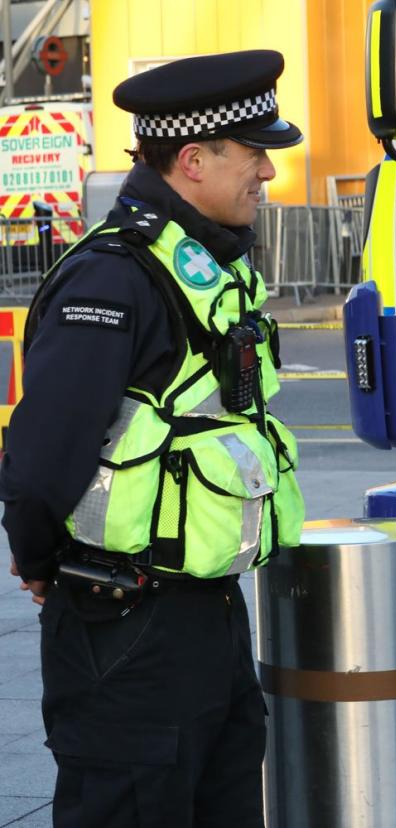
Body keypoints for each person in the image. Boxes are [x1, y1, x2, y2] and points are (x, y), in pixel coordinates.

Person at [2, 50, 306, 826]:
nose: (267, 172)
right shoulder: (112, 279)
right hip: (123, 629)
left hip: (207, 619)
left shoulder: (201, 265)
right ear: (194, 159)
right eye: (254, 152)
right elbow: (38, 467)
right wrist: (44, 562)